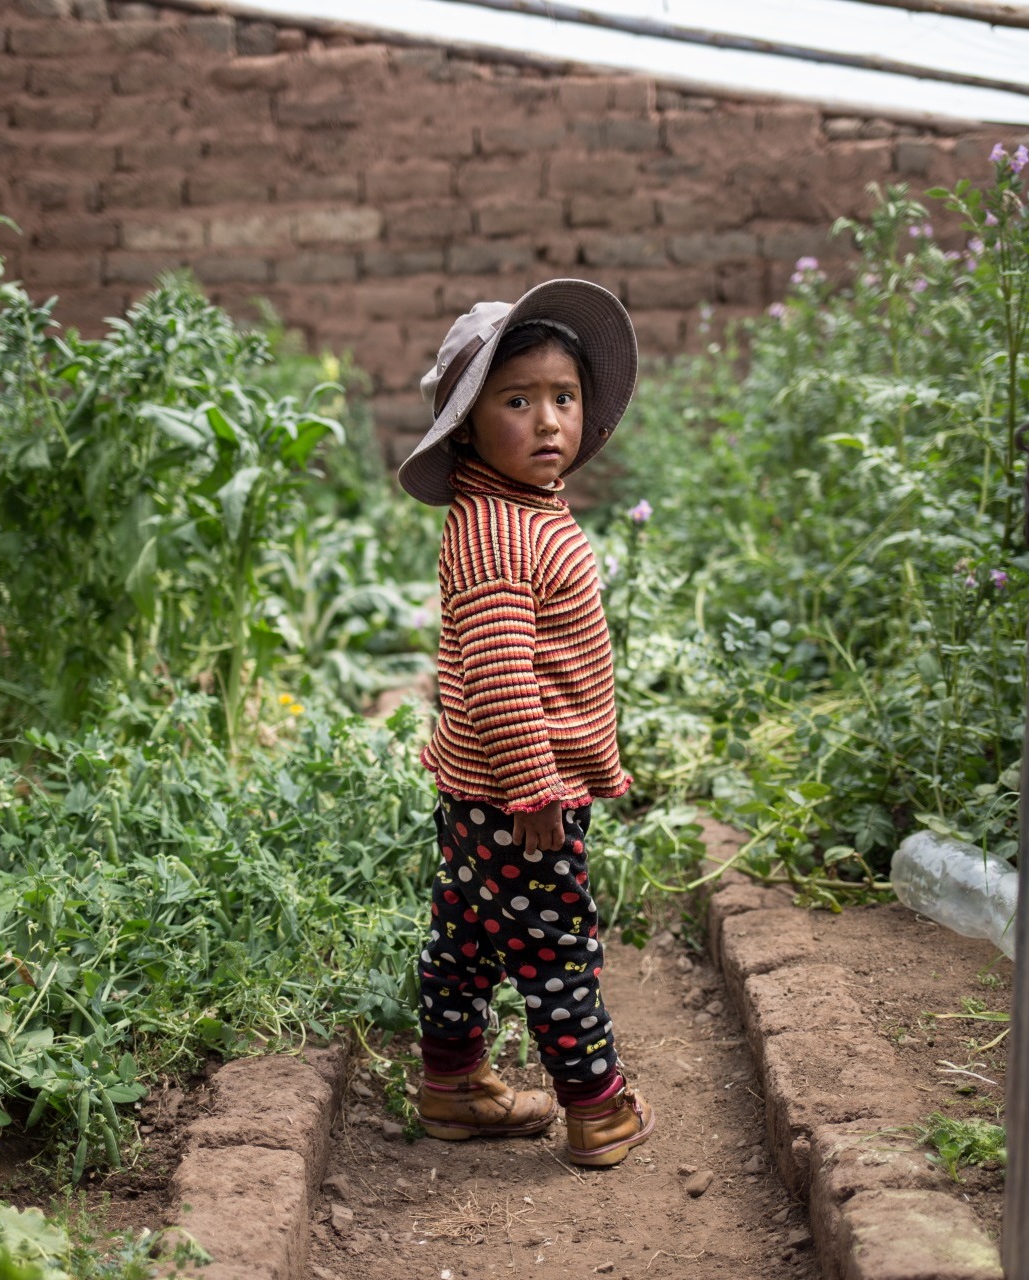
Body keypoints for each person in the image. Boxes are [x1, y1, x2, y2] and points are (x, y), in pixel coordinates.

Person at [396, 279, 655, 1169]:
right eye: (518, 400)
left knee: (467, 942)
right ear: (467, 425)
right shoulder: (505, 534)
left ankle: (453, 1086)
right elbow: (503, 679)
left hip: (481, 795)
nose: (548, 421)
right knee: (555, 951)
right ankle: (598, 1108)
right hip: (518, 794)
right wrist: (537, 788)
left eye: (563, 398)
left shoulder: (510, 511)